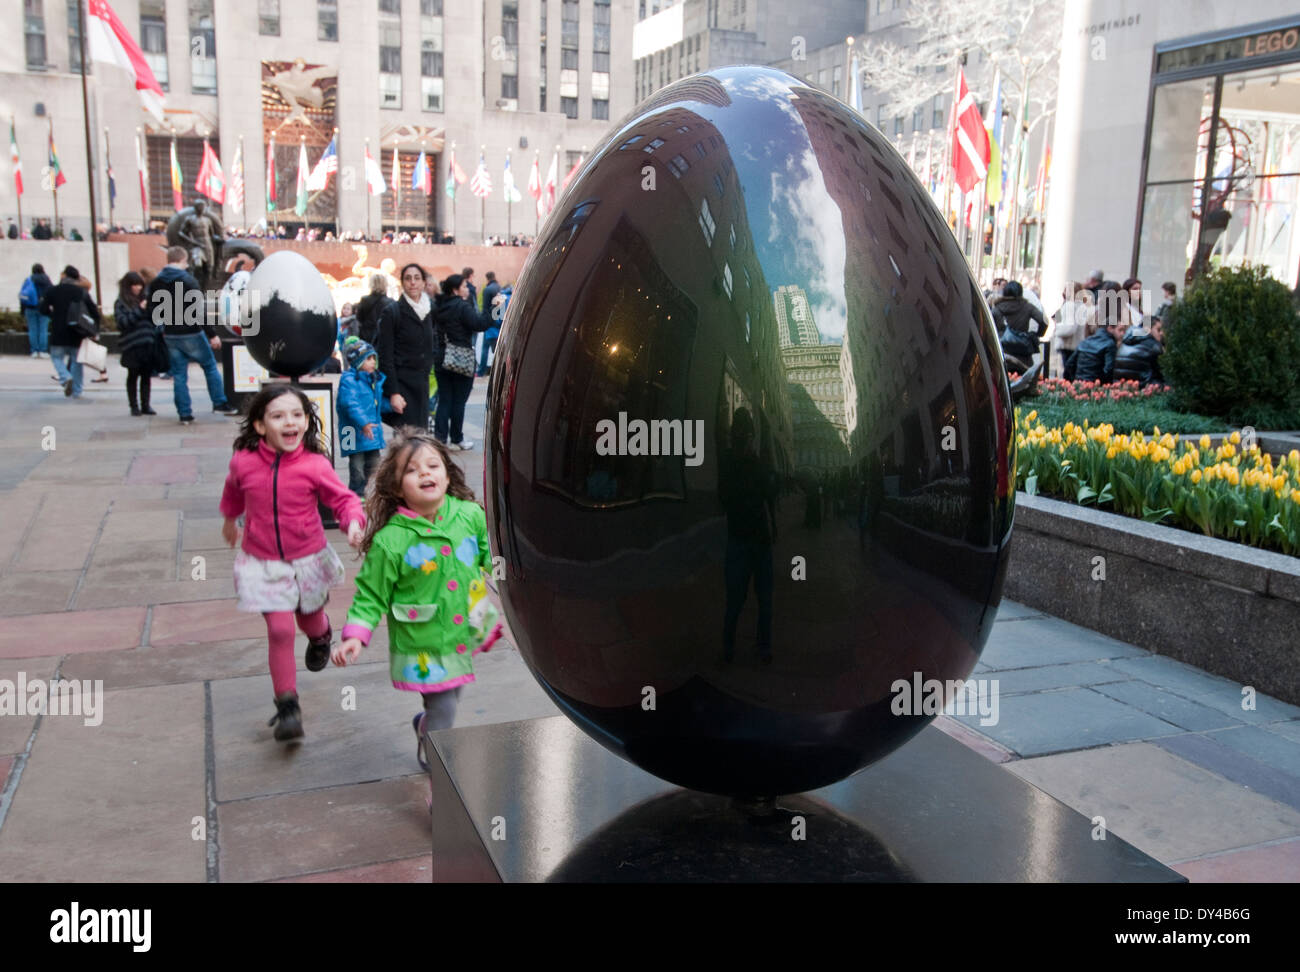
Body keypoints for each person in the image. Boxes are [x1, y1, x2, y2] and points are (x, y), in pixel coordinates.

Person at [333, 430, 501, 768]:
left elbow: (490, 556)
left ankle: (426, 729)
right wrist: (355, 635)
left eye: (432, 465)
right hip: (424, 641)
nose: (425, 473)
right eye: (412, 470)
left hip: (464, 628)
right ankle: (441, 789)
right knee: (445, 710)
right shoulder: (391, 541)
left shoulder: (470, 515)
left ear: (446, 473)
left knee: (451, 697)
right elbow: (370, 593)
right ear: (397, 488)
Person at [220, 384, 366, 741]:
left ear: (306, 421)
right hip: (263, 562)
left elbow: (343, 499)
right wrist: (229, 519)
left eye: (297, 415)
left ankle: (321, 637)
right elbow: (233, 491)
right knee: (281, 629)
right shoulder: (243, 462)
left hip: (308, 559)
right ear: (259, 426)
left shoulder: (315, 465)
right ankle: (288, 707)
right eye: (278, 415)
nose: (290, 422)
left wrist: (353, 523)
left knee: (309, 619)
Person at [147, 245, 236, 423]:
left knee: (179, 375)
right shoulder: (188, 280)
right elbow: (198, 311)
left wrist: (162, 328)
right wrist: (212, 334)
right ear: (183, 260)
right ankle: (219, 403)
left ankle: (184, 413)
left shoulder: (156, 282)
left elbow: (152, 310)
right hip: (191, 332)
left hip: (170, 334)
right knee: (210, 366)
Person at [376, 263, 437, 433]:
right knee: (406, 441)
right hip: (402, 385)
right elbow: (385, 355)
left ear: (424, 282)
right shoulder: (392, 312)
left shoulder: (428, 310)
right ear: (402, 282)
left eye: (417, 278)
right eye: (408, 278)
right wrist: (393, 392)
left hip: (421, 384)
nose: (413, 282)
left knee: (420, 437)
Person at [433, 273, 489, 450]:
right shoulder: (462, 306)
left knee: (444, 400)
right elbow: (480, 324)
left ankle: (440, 439)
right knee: (458, 401)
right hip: (461, 358)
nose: (467, 289)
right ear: (456, 290)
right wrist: (495, 309)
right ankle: (457, 438)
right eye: (465, 286)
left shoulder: (439, 306)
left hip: (442, 356)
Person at [39, 265, 99, 399]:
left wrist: (53, 315)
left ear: (64, 276)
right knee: (77, 362)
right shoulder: (81, 292)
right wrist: (94, 329)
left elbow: (42, 309)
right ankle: (77, 391)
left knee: (56, 357)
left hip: (58, 331)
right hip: (77, 332)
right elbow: (94, 311)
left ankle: (65, 376)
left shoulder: (52, 290)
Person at [337, 339, 387, 497]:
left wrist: (392, 406)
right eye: (368, 358)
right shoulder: (348, 380)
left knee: (374, 463)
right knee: (356, 465)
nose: (373, 362)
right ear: (358, 361)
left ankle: (372, 491)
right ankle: (356, 494)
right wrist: (363, 423)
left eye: (374, 358)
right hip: (350, 430)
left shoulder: (373, 380)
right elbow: (350, 404)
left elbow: (378, 404)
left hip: (370, 431)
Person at [115, 271, 158, 415]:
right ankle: (134, 406)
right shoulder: (121, 303)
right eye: (135, 285)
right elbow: (122, 323)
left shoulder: (145, 299)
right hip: (132, 344)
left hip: (147, 342)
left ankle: (146, 405)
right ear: (128, 286)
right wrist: (140, 310)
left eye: (140, 284)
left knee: (146, 376)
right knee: (133, 375)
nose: (138, 287)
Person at [1074, 289, 1130, 383]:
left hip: (1090, 364)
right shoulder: (1121, 315)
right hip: (1101, 373)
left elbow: (1087, 332)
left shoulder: (1096, 316)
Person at [991, 280, 1047, 362]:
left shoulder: (997, 309)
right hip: (1023, 352)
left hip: (1003, 351)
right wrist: (1038, 334)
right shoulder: (1027, 307)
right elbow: (1043, 321)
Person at [1051, 281, 1092, 380]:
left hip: (1067, 346)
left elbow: (1069, 328)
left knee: (1065, 377)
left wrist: (1057, 329)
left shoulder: (1070, 306)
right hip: (1077, 346)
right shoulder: (1084, 306)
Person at [1113, 317, 1166, 387]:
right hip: (1144, 388)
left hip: (1121, 387)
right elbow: (1163, 372)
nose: (1161, 333)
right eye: (1158, 330)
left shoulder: (1124, 342)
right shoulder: (1153, 345)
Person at [19, 263, 53, 359]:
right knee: (43, 330)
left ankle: (34, 351)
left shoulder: (29, 280)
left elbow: (23, 296)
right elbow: (52, 293)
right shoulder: (47, 280)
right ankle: (43, 351)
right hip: (44, 308)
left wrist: (22, 310)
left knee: (33, 330)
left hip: (30, 308)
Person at [355, 273, 392, 345]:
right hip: (384, 338)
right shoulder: (391, 302)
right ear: (385, 284)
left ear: (371, 284)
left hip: (366, 337)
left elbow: (359, 318)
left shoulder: (364, 300)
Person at [478, 271, 501, 376]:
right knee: (498, 348)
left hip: (489, 322)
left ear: (487, 278)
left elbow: (485, 307)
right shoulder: (499, 288)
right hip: (499, 320)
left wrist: (483, 320)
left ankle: (481, 371)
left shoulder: (488, 289)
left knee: (485, 348)